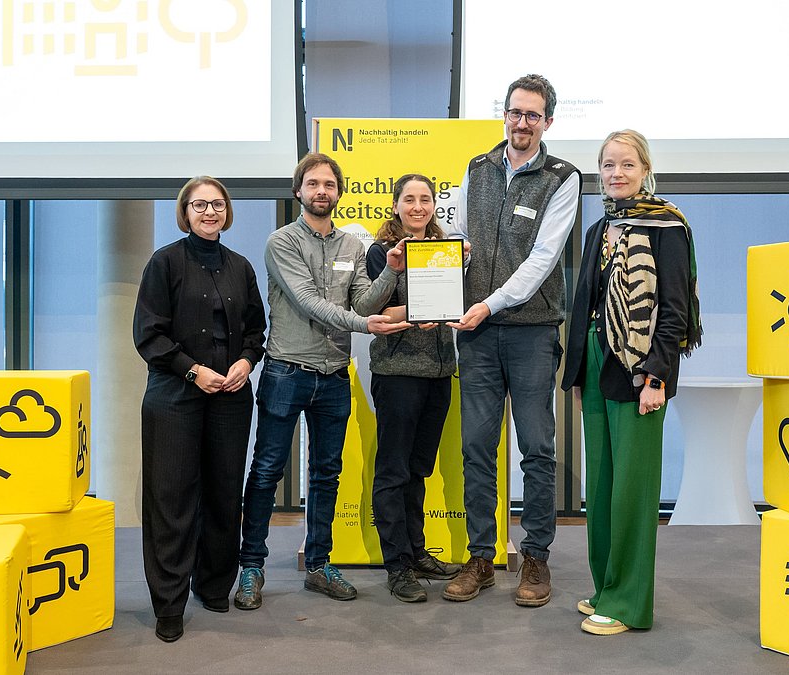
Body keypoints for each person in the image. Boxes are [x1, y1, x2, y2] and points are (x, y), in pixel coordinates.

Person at [234, 152, 410, 609]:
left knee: (326, 475)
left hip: (334, 376)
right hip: (286, 371)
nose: (321, 192)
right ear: (299, 192)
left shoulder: (353, 247)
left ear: (338, 192)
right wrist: (363, 326)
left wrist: (391, 267)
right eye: (312, 184)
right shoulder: (281, 243)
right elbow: (310, 302)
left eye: (329, 185)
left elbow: (365, 303)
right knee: (268, 471)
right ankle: (251, 566)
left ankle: (319, 564)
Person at [443, 74, 580, 607]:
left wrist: (488, 302)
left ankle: (536, 558)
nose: (522, 122)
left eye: (533, 115)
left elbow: (543, 259)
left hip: (529, 330)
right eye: (515, 112)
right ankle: (481, 555)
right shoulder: (477, 169)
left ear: (547, 121)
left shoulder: (562, 178)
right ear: (504, 113)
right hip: (475, 333)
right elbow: (459, 238)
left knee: (536, 449)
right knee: (476, 446)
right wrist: (453, 261)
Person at [560, 129, 702, 635]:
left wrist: (657, 377)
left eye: (626, 165)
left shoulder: (667, 226)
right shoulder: (602, 226)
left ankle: (627, 603)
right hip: (599, 364)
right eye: (607, 166)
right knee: (600, 487)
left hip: (641, 367)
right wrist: (578, 372)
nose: (616, 174)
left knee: (633, 493)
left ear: (645, 170)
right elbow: (587, 303)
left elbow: (675, 312)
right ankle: (605, 586)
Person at [133, 176, 267, 643]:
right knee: (172, 499)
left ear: (227, 211)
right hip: (175, 397)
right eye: (199, 205)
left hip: (230, 396)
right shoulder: (164, 262)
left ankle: (214, 585)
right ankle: (168, 604)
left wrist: (246, 362)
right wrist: (193, 371)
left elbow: (255, 331)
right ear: (185, 212)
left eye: (217, 204)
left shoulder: (241, 266)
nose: (209, 212)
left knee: (224, 493)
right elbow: (149, 334)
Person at [365, 174, 464, 603]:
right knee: (393, 471)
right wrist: (411, 293)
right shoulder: (381, 253)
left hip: (439, 374)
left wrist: (461, 277)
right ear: (396, 204)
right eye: (410, 199)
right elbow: (370, 308)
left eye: (425, 199)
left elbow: (456, 302)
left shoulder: (444, 252)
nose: (418, 206)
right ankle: (397, 566)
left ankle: (418, 551)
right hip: (398, 372)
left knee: (419, 470)